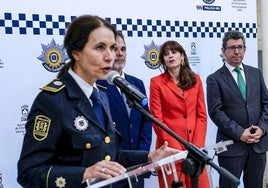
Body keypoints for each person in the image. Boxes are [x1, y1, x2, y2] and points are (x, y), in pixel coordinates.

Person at [17, 15, 179, 188]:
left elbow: (109, 155)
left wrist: (148, 157)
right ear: (76, 52)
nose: (110, 56)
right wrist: (84, 174)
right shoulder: (52, 100)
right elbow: (29, 172)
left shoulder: (100, 94)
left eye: (113, 48)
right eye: (100, 47)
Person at [206, 30, 268, 188]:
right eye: (232, 47)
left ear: (245, 49)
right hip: (231, 147)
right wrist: (240, 133)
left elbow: (266, 103)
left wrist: (262, 128)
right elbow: (216, 112)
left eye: (240, 47)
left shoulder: (256, 73)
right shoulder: (214, 79)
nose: (237, 51)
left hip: (257, 146)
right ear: (223, 51)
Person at [149, 40, 210, 188]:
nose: (170, 56)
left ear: (182, 56)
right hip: (169, 148)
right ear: (163, 60)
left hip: (195, 147)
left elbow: (201, 116)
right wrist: (176, 149)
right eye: (166, 54)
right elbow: (157, 119)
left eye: (174, 52)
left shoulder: (196, 79)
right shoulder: (156, 82)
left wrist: (196, 146)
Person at [97, 31, 152, 188]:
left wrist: (142, 155)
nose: (120, 53)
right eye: (115, 49)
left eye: (123, 49)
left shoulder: (136, 83)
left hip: (138, 165)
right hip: (112, 167)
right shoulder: (98, 85)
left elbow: (146, 120)